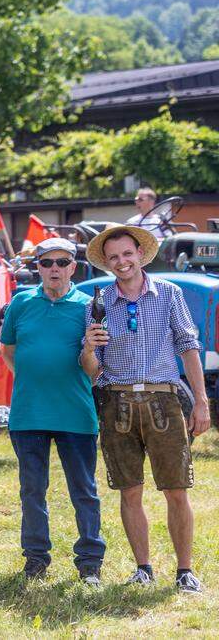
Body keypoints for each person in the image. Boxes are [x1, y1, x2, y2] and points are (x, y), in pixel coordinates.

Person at [80, 225, 210, 593]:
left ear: (141, 255)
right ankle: (143, 568)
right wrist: (88, 349)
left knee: (176, 489)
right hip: (116, 401)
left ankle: (185, 571)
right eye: (114, 257)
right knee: (129, 491)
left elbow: (188, 347)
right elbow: (93, 369)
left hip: (163, 400)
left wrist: (201, 400)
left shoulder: (169, 294)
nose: (122, 262)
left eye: (127, 254)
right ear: (107, 263)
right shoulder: (99, 303)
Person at [0, 237, 105, 584]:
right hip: (28, 413)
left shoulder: (88, 307)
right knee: (31, 489)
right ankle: (35, 559)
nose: (55, 269)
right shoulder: (21, 302)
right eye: (47, 263)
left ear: (73, 268)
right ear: (38, 268)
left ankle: (90, 561)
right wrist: (33, 376)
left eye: (62, 263)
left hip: (76, 414)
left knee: (83, 490)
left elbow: (95, 369)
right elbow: (8, 350)